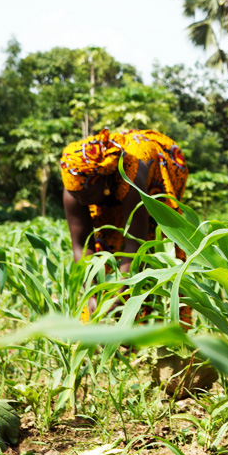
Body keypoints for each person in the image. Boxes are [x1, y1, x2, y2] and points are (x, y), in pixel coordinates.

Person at [60, 129, 189, 318]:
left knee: (155, 254)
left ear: (102, 180)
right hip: (109, 190)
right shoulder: (76, 184)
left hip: (157, 170)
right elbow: (81, 245)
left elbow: (135, 243)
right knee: (105, 245)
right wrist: (92, 293)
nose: (80, 201)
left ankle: (154, 325)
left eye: (86, 196)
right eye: (75, 195)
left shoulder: (131, 178)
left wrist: (119, 295)